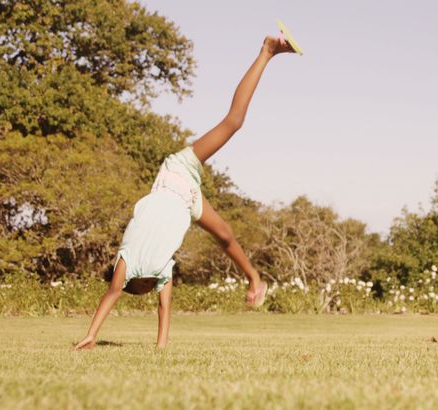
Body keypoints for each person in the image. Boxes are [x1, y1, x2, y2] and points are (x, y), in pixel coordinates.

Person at [74, 30, 301, 350]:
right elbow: (161, 309)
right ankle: (254, 277)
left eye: (146, 289)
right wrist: (160, 348)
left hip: (176, 172)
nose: (153, 289)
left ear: (139, 283)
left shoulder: (126, 264)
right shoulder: (160, 269)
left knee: (233, 122)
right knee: (225, 236)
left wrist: (91, 334)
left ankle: (267, 51)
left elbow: (112, 294)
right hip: (188, 200)